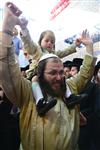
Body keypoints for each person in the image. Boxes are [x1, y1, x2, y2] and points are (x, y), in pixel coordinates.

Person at [1, 2, 96, 150]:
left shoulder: (69, 84)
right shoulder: (27, 95)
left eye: (60, 72)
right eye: (52, 73)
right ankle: (41, 103)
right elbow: (7, 68)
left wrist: (87, 46)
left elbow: (84, 74)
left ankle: (71, 99)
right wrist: (10, 29)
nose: (59, 77)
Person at [19, 13, 83, 116]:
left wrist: (75, 44)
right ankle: (40, 102)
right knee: (35, 79)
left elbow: (65, 52)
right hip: (36, 74)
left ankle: (69, 97)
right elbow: (29, 43)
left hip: (49, 76)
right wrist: (24, 29)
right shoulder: (37, 50)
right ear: (40, 42)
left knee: (61, 77)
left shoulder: (54, 54)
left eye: (52, 42)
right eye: (47, 40)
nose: (50, 43)